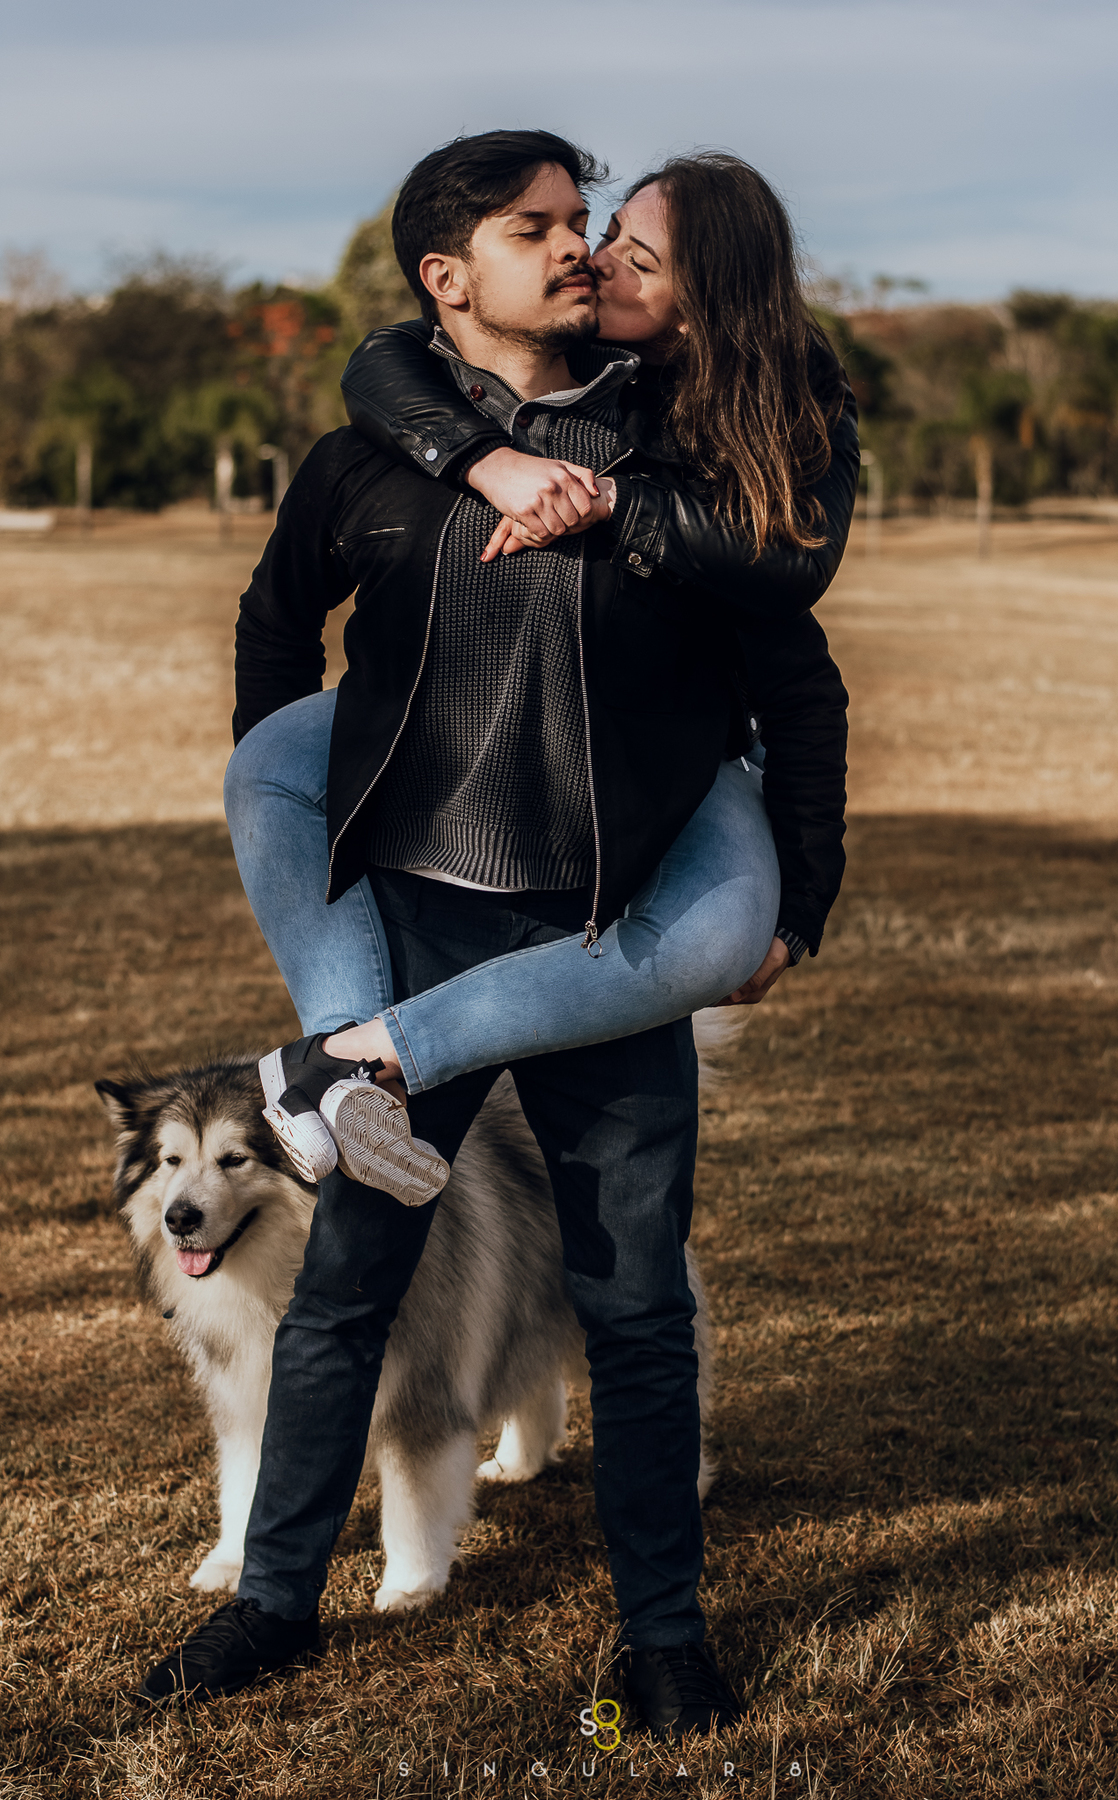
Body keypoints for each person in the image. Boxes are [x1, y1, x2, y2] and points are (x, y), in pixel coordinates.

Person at [137, 131, 851, 1740]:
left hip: (608, 946)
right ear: (449, 278)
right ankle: (271, 1612)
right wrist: (314, 833)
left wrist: (797, 893)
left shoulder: (674, 434)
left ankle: (662, 1634)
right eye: (542, 229)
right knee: (346, 1293)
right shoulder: (369, 456)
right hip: (409, 927)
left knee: (637, 1304)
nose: (582, 248)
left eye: (588, 225)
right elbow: (274, 629)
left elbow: (799, 676)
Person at [226, 150, 859, 1206]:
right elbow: (382, 362)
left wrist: (611, 507)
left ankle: (351, 1059)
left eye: (630, 255)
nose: (591, 257)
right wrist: (489, 461)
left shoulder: (728, 427)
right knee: (268, 765)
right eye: (596, 231)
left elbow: (794, 594)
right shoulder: (430, 397)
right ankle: (338, 1068)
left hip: (675, 764)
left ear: (698, 316)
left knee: (722, 937)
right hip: (467, 814)